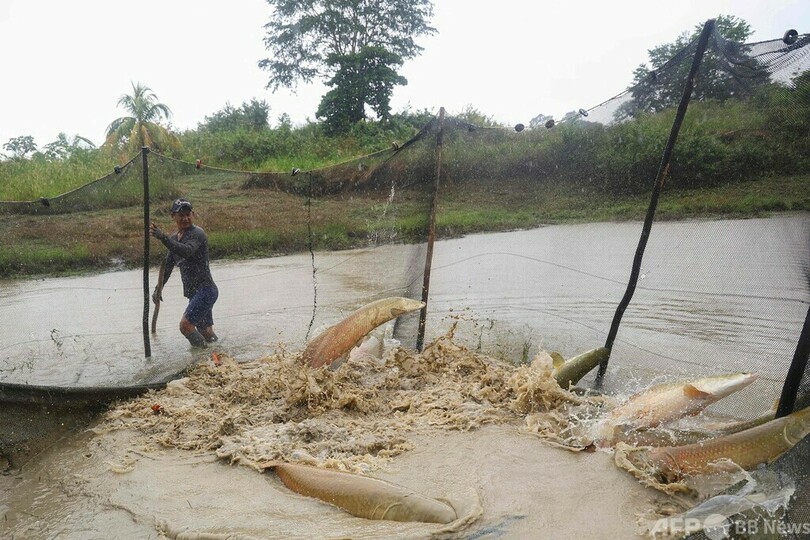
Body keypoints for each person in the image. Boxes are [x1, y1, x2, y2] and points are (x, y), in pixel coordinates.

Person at [150, 198, 219, 348]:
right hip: (194, 293)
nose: (186, 219)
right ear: (173, 216)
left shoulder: (197, 234)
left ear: (193, 214)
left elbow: (187, 251)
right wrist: (158, 288)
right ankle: (217, 354)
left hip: (206, 290)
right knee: (205, 331)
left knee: (185, 326)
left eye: (188, 215)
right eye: (181, 215)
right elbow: (168, 266)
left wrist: (163, 237)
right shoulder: (175, 238)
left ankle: (202, 357)